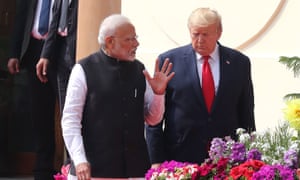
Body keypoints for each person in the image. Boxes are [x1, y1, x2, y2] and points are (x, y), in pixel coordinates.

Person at [61, 14, 175, 180]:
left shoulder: (139, 69)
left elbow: (153, 119)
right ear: (110, 41)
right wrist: (79, 160)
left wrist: (159, 94)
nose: (136, 44)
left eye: (135, 38)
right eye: (129, 39)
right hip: (92, 171)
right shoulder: (84, 69)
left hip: (134, 170)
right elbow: (70, 120)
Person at [145, 7, 256, 168]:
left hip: (226, 158)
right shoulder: (169, 61)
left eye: (205, 34)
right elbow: (154, 116)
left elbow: (246, 111)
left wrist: (250, 155)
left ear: (219, 32)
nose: (200, 39)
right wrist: (156, 160)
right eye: (195, 34)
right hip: (180, 157)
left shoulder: (239, 63)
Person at [7, 0, 57, 179]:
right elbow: (21, 18)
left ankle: (70, 166)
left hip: (60, 51)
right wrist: (14, 52)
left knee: (69, 112)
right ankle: (43, 170)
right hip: (34, 50)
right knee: (40, 115)